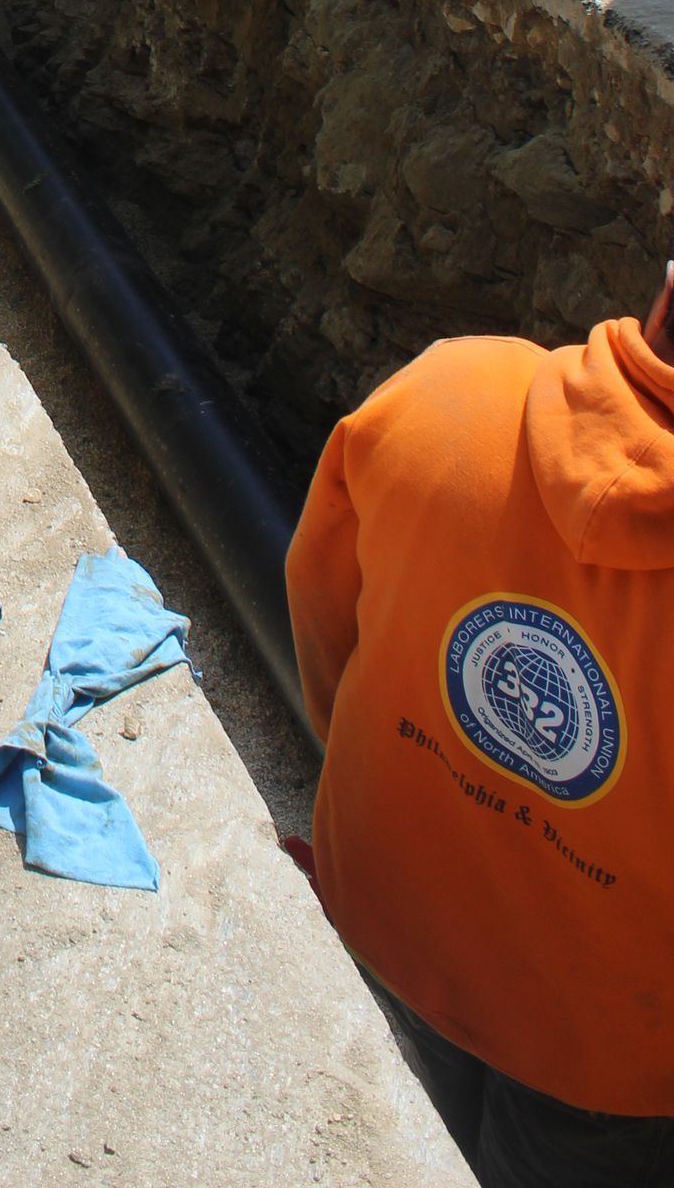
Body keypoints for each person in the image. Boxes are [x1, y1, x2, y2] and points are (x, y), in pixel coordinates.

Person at [286, 264, 674, 1185]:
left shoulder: (446, 394)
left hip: (389, 917)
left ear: (666, 294)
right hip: (612, 1065)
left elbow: (322, 609)